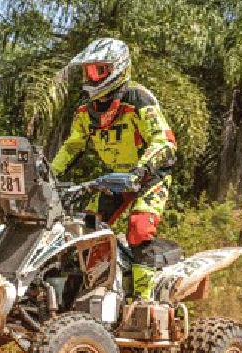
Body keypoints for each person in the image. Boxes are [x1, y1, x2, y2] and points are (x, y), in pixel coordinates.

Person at [50, 38, 177, 302]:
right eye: (89, 71)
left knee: (139, 228)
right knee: (87, 229)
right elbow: (73, 146)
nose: (92, 78)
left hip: (150, 175)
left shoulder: (139, 99)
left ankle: (144, 300)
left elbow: (164, 141)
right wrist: (48, 175)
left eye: (99, 71)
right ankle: (97, 291)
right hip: (115, 179)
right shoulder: (85, 112)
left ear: (118, 69)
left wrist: (141, 172)